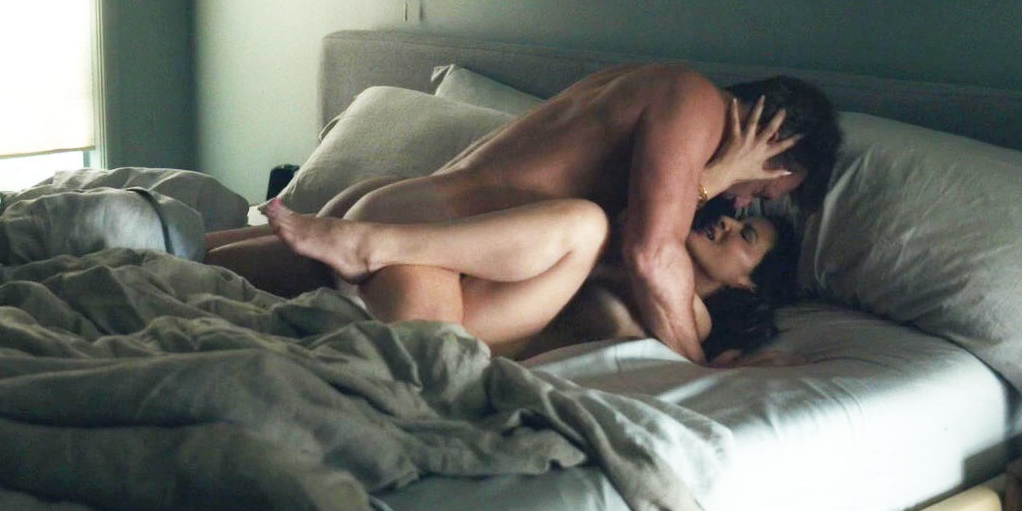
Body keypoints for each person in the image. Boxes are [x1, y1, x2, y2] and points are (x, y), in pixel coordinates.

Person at [209, 64, 840, 364]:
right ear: (775, 141)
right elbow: (650, 252)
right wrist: (696, 369)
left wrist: (716, 178)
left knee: (192, 264)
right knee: (414, 382)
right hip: (429, 252)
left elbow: (629, 237)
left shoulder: (656, 83)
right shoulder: (695, 104)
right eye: (767, 190)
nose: (746, 201)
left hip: (408, 212)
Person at [256, 195, 799, 364]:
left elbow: (639, 259)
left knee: (584, 224)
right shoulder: (639, 252)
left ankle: (368, 245)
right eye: (737, 219)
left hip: (461, 329)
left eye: (747, 236)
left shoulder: (692, 319)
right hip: (435, 289)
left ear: (748, 285)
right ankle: (364, 243)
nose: (728, 224)